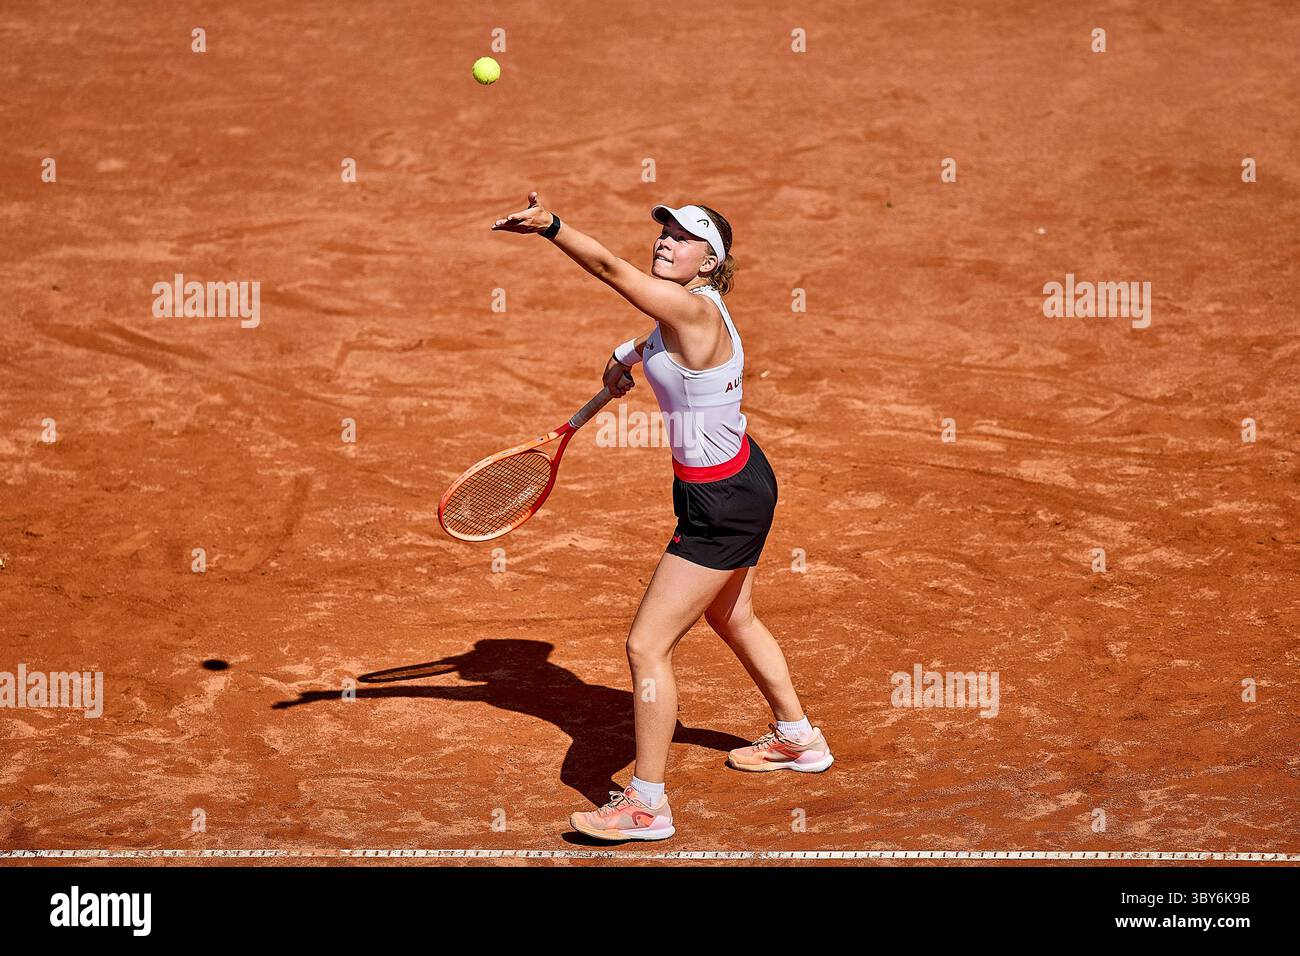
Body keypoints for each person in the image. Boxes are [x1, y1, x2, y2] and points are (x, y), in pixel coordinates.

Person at [491, 193, 833, 841]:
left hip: (719, 505)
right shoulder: (686, 315)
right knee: (733, 614)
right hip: (745, 478)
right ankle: (798, 738)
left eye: (684, 237)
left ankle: (646, 804)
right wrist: (625, 361)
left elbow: (614, 272)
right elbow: (652, 338)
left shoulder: (689, 306)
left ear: (710, 264)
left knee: (647, 645)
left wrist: (553, 227)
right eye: (666, 232)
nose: (666, 242)